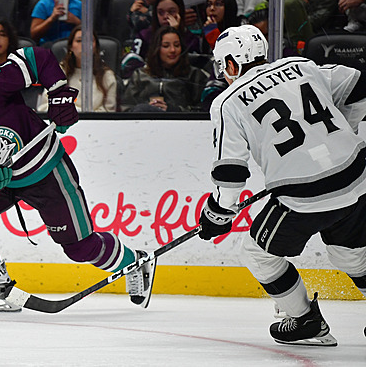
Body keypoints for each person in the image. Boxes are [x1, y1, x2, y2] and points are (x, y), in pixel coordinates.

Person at [0, 49, 156, 312]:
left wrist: (58, 95)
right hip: (3, 182)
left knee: (80, 248)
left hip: (46, 171)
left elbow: (37, 59)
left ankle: (135, 262)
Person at [198, 24, 366, 346]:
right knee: (352, 256)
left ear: (231, 64)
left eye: (224, 68)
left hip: (304, 194)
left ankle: (305, 321)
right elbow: (361, 84)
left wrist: (217, 214)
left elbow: (231, 174)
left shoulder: (227, 102)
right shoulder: (301, 66)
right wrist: (346, 128)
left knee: (258, 254)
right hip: (356, 176)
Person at [121, 26, 209, 112]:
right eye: (166, 46)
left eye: (177, 45)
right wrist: (145, 109)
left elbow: (203, 110)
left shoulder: (194, 75)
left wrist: (174, 110)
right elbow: (126, 108)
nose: (173, 50)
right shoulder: (140, 75)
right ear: (156, 49)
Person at [37, 25, 117, 112]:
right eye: (79, 41)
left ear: (96, 47)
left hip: (96, 124)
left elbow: (109, 111)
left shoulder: (107, 75)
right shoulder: (58, 72)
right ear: (71, 47)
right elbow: (44, 107)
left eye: (90, 41)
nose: (85, 45)